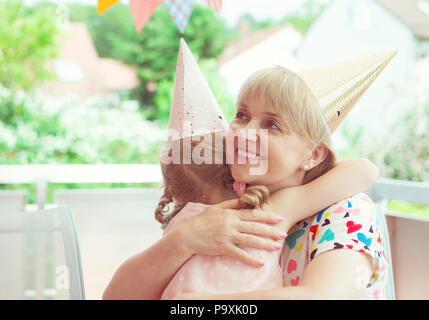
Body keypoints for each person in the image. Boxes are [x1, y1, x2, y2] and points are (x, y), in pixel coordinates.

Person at [103, 41, 396, 300]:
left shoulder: (346, 211)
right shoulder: (220, 210)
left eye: (271, 125)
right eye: (242, 115)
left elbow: (325, 296)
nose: (244, 133)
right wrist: (183, 240)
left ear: (313, 154)